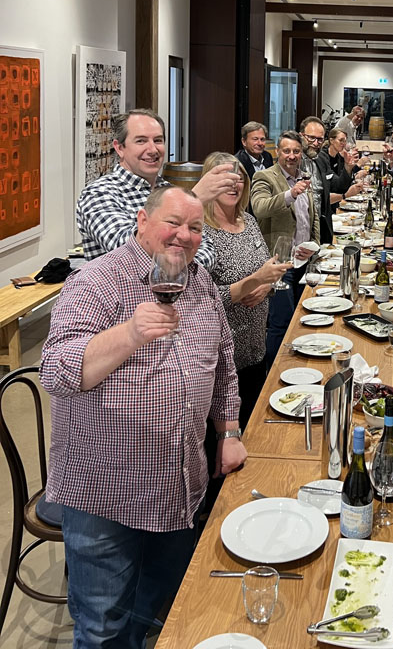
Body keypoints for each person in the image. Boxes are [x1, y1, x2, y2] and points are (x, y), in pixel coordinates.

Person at [40, 186, 247, 649]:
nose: (184, 236)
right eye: (173, 222)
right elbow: (55, 369)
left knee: (162, 609)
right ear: (141, 221)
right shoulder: (97, 283)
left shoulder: (201, 283)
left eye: (195, 228)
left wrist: (228, 430)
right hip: (107, 492)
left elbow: (224, 363)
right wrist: (131, 332)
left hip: (179, 485)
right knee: (103, 627)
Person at [76, 108, 243, 268]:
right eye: (141, 141)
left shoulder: (168, 189)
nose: (152, 149)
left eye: (158, 140)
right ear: (120, 148)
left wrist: (173, 267)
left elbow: (208, 250)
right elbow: (128, 250)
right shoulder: (99, 193)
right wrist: (194, 199)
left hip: (178, 293)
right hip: (124, 296)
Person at [201, 152, 292, 429]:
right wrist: (252, 283)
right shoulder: (201, 232)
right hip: (222, 362)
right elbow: (203, 300)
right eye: (225, 179)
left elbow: (267, 273)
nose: (233, 185)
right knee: (224, 446)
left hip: (256, 350)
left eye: (239, 178)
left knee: (253, 429)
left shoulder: (248, 222)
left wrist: (266, 286)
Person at [251, 130, 320, 364]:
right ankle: (272, 373)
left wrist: (316, 246)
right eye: (287, 151)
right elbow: (259, 208)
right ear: (277, 152)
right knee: (281, 321)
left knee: (305, 317)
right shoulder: (265, 177)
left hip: (304, 261)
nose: (292, 156)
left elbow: (313, 216)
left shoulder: (303, 176)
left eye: (296, 151)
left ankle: (297, 367)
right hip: (279, 264)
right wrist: (290, 194)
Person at [300, 116, 362, 244]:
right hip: (301, 227)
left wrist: (348, 168)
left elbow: (338, 186)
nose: (316, 143)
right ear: (301, 136)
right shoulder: (294, 161)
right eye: (311, 138)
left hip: (322, 226)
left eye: (320, 139)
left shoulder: (321, 159)